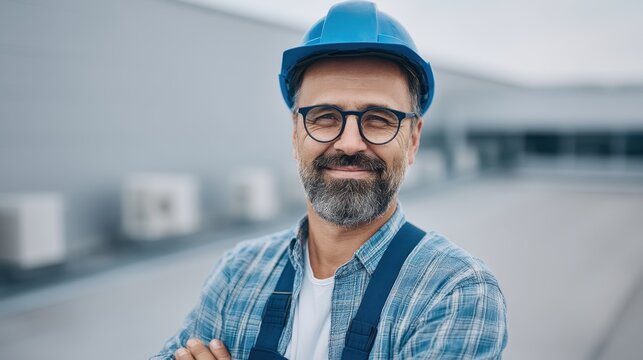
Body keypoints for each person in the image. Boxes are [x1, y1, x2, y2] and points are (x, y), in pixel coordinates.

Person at [152, 1, 507, 359]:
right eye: (324, 117)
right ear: (295, 134)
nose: (350, 143)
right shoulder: (238, 273)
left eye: (379, 119)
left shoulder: (454, 291)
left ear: (412, 140)